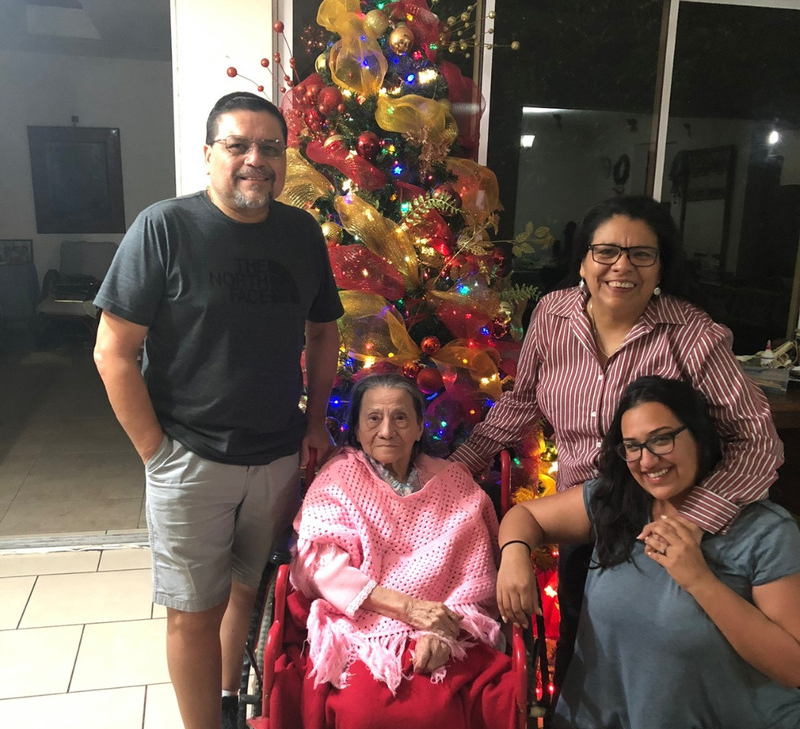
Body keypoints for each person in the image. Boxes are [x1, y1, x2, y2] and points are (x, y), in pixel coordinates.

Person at [449, 194, 783, 690]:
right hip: (580, 518)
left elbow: (757, 441)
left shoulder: (692, 336)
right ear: (583, 261)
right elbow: (523, 402)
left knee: (652, 673)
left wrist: (691, 520)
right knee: (581, 661)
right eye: (606, 251)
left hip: (663, 529)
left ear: (661, 266)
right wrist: (453, 471)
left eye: (641, 254)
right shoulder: (553, 315)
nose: (622, 266)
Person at [93, 91, 343, 729]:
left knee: (248, 592)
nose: (255, 159)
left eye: (270, 148)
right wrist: (156, 453)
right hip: (189, 457)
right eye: (238, 145)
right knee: (192, 613)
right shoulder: (164, 228)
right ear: (209, 154)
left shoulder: (300, 233)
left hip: (278, 456)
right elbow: (112, 352)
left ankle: (228, 703)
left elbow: (322, 331)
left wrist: (315, 422)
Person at [497, 375, 800, 728]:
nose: (647, 461)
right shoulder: (617, 502)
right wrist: (515, 554)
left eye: (661, 439)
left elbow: (793, 667)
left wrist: (700, 581)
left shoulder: (764, 531)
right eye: (633, 446)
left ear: (699, 435)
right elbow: (526, 516)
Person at [289, 373, 516, 729]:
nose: (386, 431)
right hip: (363, 621)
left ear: (419, 427)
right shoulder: (336, 480)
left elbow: (476, 573)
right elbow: (322, 567)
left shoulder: (454, 482)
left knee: (442, 708)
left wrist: (443, 631)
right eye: (373, 418)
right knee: (366, 712)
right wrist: (409, 609)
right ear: (357, 428)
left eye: (400, 418)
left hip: (447, 621)